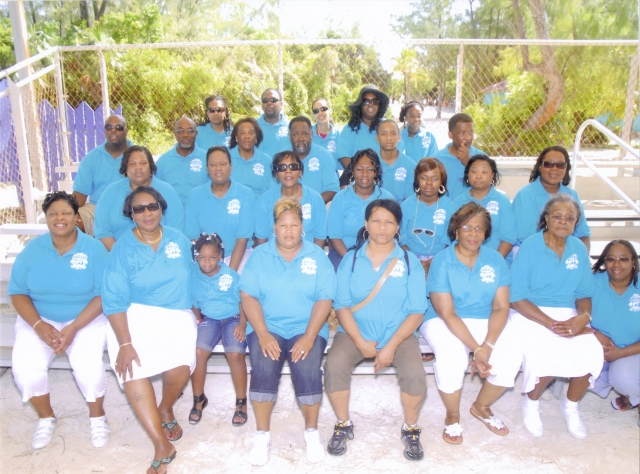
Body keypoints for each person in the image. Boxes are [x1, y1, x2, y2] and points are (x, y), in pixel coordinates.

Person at [324, 199, 427, 461]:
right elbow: (342, 304)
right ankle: (343, 424)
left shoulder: (409, 261)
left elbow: (417, 310)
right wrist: (359, 341)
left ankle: (411, 428)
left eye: (389, 221)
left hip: (398, 334)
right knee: (334, 365)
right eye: (376, 220)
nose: (382, 226)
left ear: (397, 227)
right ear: (366, 224)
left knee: (415, 373)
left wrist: (391, 346)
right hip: (355, 331)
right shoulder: (351, 259)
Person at [102, 186, 196, 474]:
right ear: (131, 215)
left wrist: (200, 309)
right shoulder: (122, 248)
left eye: (152, 206)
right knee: (132, 369)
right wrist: (125, 343)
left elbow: (193, 277)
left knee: (181, 366)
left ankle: (166, 407)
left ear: (161, 209)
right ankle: (161, 444)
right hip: (133, 314)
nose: (147, 213)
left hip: (176, 312)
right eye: (138, 209)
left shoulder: (178, 240)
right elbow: (113, 299)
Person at [10, 190, 111, 451]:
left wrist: (74, 327)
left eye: (66, 212)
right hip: (40, 319)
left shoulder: (94, 248)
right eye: (53, 213)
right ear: (45, 218)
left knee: (88, 369)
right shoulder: (33, 249)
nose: (60, 218)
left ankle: (97, 416)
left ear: (76, 217)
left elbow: (104, 294)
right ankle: (46, 418)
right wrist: (38, 326)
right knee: (25, 369)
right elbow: (18, 292)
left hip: (85, 319)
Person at [240, 198, 336, 466]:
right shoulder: (259, 255)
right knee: (262, 364)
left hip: (306, 327)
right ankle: (262, 435)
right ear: (274, 228)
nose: (289, 230)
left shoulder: (317, 256)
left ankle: (311, 433)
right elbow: (248, 295)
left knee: (306, 367)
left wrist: (308, 336)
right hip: (266, 327)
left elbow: (325, 298)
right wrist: (262, 334)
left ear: (303, 227)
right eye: (283, 225)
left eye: (294, 224)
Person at [421, 202, 519, 445]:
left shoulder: (496, 260)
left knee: (511, 355)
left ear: (486, 233)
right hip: (442, 318)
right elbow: (447, 312)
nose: (473, 233)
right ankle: (453, 415)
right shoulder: (442, 260)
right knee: (452, 355)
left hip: (486, 317)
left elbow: (501, 307)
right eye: (467, 227)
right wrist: (477, 349)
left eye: (479, 228)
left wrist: (487, 344)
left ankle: (481, 407)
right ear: (456, 231)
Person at [510, 193, 603, 439]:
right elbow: (517, 297)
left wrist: (583, 318)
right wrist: (551, 324)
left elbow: (584, 293)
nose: (563, 221)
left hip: (568, 311)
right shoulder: (530, 245)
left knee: (591, 350)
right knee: (548, 350)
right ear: (547, 219)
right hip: (530, 312)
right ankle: (531, 402)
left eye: (569, 217)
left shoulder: (579, 249)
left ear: (576, 222)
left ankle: (570, 406)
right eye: (557, 216)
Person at [189, 233, 248, 427]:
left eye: (212, 258)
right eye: (202, 258)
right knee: (198, 352)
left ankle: (241, 402)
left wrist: (242, 323)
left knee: (235, 353)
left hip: (233, 317)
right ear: (196, 257)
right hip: (210, 319)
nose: (207, 263)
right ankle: (198, 398)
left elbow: (243, 300)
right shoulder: (194, 277)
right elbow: (195, 303)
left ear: (221, 256)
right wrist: (198, 318)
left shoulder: (230, 275)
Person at [94, 146, 184, 251]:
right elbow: (102, 232)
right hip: (119, 253)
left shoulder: (167, 191)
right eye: (132, 164)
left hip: (160, 254)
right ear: (125, 167)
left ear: (151, 166)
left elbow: (176, 230)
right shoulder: (111, 191)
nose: (138, 167)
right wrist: (122, 255)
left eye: (143, 163)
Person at [590, 240, 640, 426]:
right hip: (599, 348)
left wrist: (621, 353)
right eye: (611, 259)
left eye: (623, 259)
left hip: (633, 352)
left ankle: (634, 398)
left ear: (633, 261)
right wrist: (595, 332)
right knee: (584, 375)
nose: (616, 265)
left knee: (624, 379)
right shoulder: (593, 281)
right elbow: (576, 312)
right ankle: (633, 396)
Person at [185, 146, 254, 272]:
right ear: (207, 168)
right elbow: (194, 237)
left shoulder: (245, 194)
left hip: (240, 255)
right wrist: (208, 263)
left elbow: (242, 239)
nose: (218, 168)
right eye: (213, 165)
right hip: (206, 258)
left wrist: (230, 273)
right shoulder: (195, 195)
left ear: (231, 166)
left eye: (223, 164)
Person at [512, 146, 591, 252]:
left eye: (560, 165)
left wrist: (581, 257)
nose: (554, 169)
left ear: (566, 168)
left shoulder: (572, 195)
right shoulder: (526, 195)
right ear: (540, 166)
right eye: (548, 164)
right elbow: (527, 237)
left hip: (567, 252)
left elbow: (583, 235)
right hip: (532, 253)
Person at [327, 149, 394, 270]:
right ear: (352, 171)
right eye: (359, 169)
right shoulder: (340, 198)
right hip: (343, 254)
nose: (364, 174)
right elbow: (334, 236)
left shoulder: (387, 198)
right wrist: (351, 259)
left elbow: (393, 234)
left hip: (380, 255)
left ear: (376, 172)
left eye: (370, 169)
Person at [73, 114, 131, 236]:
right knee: (73, 222)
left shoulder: (137, 155)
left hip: (131, 207)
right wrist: (65, 211)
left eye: (118, 127)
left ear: (126, 131)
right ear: (104, 131)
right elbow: (79, 196)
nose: (113, 130)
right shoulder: (92, 158)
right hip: (97, 207)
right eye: (109, 127)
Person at [255, 151, 327, 248]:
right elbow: (261, 241)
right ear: (276, 174)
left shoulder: (315, 199)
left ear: (300, 171)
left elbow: (320, 238)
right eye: (282, 168)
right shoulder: (264, 201)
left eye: (293, 166)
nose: (288, 171)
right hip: (272, 257)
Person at [400, 158, 455, 276]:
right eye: (424, 178)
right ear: (417, 179)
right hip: (409, 260)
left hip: (441, 260)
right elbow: (401, 240)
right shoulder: (405, 206)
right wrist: (415, 261)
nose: (429, 183)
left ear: (442, 181)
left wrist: (431, 262)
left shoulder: (450, 207)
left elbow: (451, 242)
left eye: (435, 178)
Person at [453, 155, 516, 258]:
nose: (478, 176)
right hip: (463, 260)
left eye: (484, 172)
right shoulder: (458, 202)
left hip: (497, 259)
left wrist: (493, 262)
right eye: (474, 172)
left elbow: (508, 239)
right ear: (467, 175)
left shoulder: (502, 201)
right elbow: (453, 237)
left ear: (492, 176)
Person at [155, 116, 208, 207]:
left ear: (196, 134)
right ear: (175, 134)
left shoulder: (207, 159)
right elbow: (156, 192)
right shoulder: (163, 161)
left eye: (190, 131)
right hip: (171, 214)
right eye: (180, 131)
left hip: (200, 211)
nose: (185, 135)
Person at [335, 85, 390, 173]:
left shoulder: (387, 127)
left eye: (374, 102)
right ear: (360, 104)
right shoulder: (350, 129)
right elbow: (343, 156)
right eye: (366, 102)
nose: (371, 105)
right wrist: (359, 174)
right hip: (359, 180)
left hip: (386, 177)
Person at [286, 116, 339, 203]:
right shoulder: (281, 158)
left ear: (311, 134)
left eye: (305, 134)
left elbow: (332, 189)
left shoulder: (325, 156)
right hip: (287, 210)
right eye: (295, 134)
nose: (300, 139)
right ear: (289, 135)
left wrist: (312, 205)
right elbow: (275, 189)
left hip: (318, 207)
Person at [431, 113, 484, 199]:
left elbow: (487, 189)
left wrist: (469, 163)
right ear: (450, 135)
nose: (468, 137)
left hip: (473, 209)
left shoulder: (482, 158)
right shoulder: (436, 160)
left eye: (471, 133)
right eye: (462, 133)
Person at [228, 117, 273, 199]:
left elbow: (267, 192)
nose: (247, 136)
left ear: (256, 137)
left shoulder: (266, 160)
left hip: (257, 206)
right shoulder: (226, 157)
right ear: (236, 137)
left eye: (251, 133)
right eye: (243, 133)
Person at [376, 119, 416, 202]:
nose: (389, 138)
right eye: (384, 134)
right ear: (377, 138)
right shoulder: (370, 164)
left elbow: (409, 200)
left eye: (393, 134)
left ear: (399, 137)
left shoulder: (411, 166)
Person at [256, 88, 290, 157]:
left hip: (284, 167)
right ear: (262, 105)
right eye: (265, 101)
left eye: (273, 100)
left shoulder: (291, 127)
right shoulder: (254, 126)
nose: (269, 103)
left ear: (281, 104)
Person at [311, 98, 340, 163]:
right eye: (316, 111)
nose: (320, 113)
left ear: (330, 110)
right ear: (313, 115)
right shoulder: (307, 134)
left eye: (323, 109)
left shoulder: (338, 136)